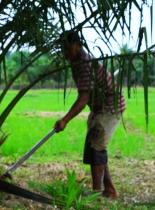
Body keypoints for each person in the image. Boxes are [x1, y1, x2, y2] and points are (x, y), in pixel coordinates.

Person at [54, 31, 125, 198]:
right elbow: (86, 94)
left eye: (68, 48)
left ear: (78, 45)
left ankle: (96, 193)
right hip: (99, 108)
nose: (65, 52)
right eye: (63, 48)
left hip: (110, 106)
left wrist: (65, 120)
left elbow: (84, 96)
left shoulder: (85, 63)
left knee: (96, 147)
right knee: (95, 147)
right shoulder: (75, 62)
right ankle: (109, 189)